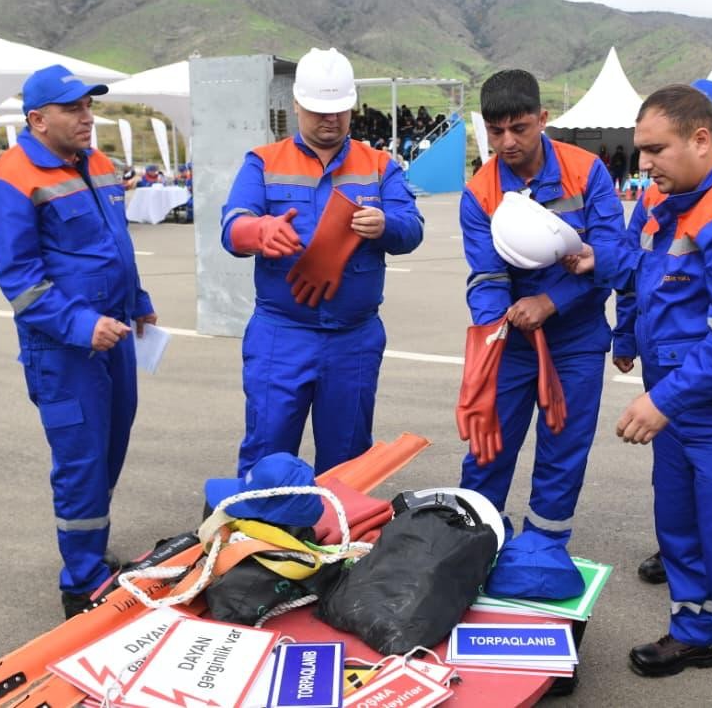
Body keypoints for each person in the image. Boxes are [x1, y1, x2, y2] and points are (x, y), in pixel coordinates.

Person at [569, 84, 712, 706]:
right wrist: (621, 321)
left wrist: (663, 402)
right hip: (678, 400)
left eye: (654, 149)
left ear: (703, 138)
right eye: (641, 150)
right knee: (679, 528)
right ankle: (696, 631)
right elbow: (642, 276)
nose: (642, 162)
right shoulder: (663, 197)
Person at [0, 64, 157, 620]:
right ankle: (82, 583)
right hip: (64, 348)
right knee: (81, 459)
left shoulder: (95, 163)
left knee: (109, 447)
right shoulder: (10, 180)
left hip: (115, 331)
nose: (87, 117)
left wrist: (138, 299)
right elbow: (21, 282)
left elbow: (113, 246)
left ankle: (92, 554)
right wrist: (82, 327)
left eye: (89, 106)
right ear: (37, 119)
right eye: (73, 109)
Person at [220, 47, 423, 476]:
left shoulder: (380, 166)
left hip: (354, 338)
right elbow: (232, 226)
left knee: (348, 458)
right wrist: (260, 232)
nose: (330, 120)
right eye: (318, 111)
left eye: (340, 111)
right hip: (282, 334)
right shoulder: (264, 162)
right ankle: (258, 537)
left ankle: (336, 538)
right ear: (296, 105)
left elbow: (412, 228)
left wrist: (386, 224)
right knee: (268, 452)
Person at [458, 68, 626, 544]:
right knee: (488, 452)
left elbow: (611, 259)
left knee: (562, 454)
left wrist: (552, 302)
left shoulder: (586, 172)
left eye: (519, 128)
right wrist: (489, 336)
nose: (507, 142)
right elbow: (487, 275)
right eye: (495, 132)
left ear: (543, 119)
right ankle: (473, 549)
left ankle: (541, 554)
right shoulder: (480, 191)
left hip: (575, 342)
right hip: (510, 343)